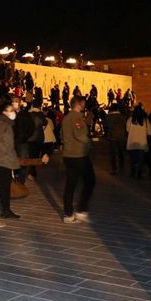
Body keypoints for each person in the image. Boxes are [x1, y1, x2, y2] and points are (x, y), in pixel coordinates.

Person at [61, 96, 95, 224]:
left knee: (71, 184)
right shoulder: (75, 117)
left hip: (68, 155)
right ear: (79, 104)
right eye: (83, 103)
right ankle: (81, 210)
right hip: (78, 155)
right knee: (90, 181)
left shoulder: (67, 117)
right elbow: (79, 134)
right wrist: (89, 142)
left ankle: (68, 214)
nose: (84, 105)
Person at [126, 104, 151, 179]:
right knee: (141, 160)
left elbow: (127, 130)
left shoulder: (130, 120)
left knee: (132, 160)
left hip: (132, 143)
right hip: (142, 143)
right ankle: (139, 173)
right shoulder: (146, 121)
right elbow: (149, 131)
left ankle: (133, 172)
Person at [104, 103, 128, 175]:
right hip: (121, 137)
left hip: (112, 137)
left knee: (113, 154)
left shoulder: (108, 117)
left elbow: (106, 126)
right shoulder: (123, 117)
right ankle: (121, 167)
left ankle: (114, 169)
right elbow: (125, 127)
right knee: (121, 153)